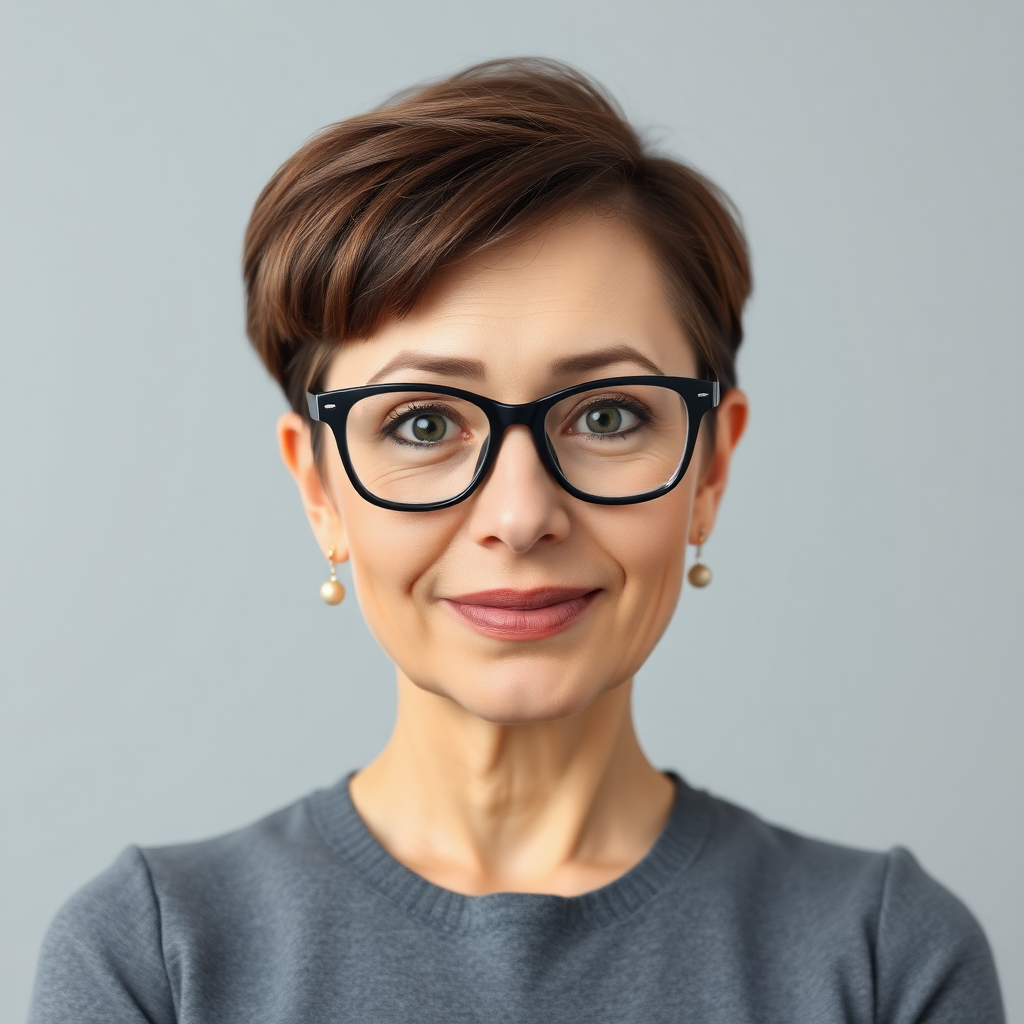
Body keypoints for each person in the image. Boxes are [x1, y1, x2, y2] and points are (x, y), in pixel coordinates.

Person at [29, 58, 1004, 1023]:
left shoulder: (883, 956)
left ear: (709, 468)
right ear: (319, 485)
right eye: (421, 424)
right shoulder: (152, 958)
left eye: (610, 415)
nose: (519, 514)